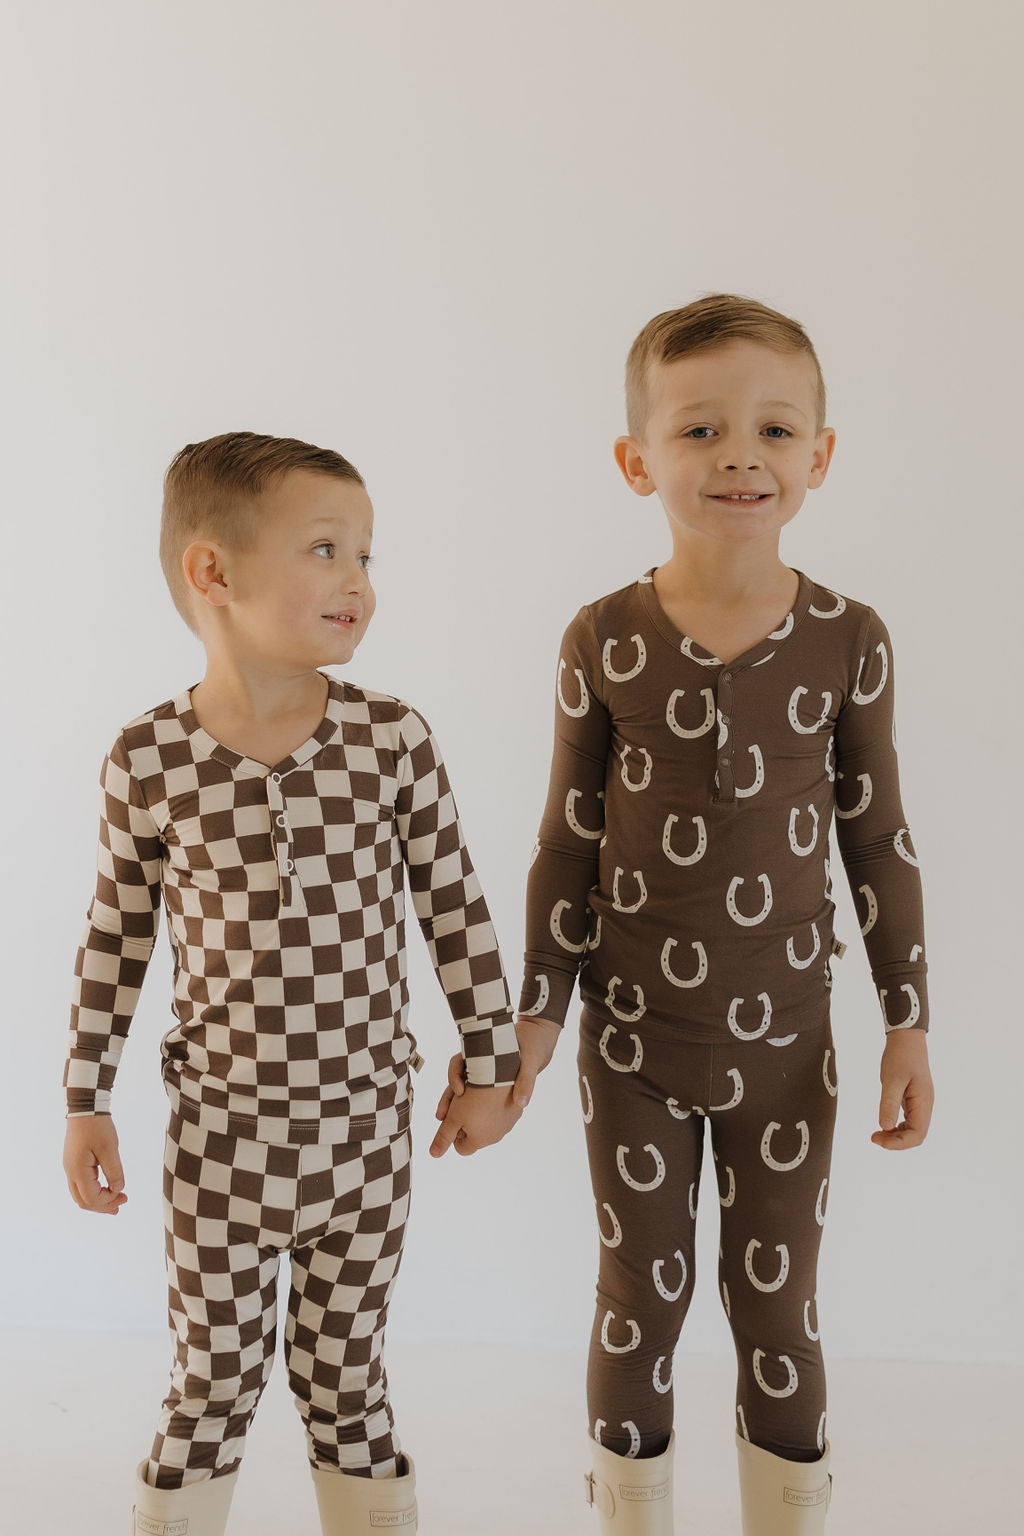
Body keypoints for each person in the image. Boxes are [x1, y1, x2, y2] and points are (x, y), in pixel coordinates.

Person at [442, 294, 934, 1533]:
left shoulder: (849, 639)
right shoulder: (601, 638)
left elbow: (876, 837)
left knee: (776, 1313)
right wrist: (528, 1030)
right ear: (636, 460)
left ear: (820, 455)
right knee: (639, 1304)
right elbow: (566, 844)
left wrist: (908, 1024)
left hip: (789, 1053)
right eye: (700, 429)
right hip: (632, 1047)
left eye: (774, 429)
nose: (739, 457)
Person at [62, 431, 524, 1536]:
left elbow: (454, 911)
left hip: (364, 1140)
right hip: (218, 1145)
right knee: (210, 1382)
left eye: (366, 555)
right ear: (212, 572)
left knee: (346, 1381)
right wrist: (86, 1097)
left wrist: (493, 1063)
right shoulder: (149, 759)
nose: (358, 581)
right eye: (326, 550)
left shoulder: (390, 741)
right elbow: (116, 937)